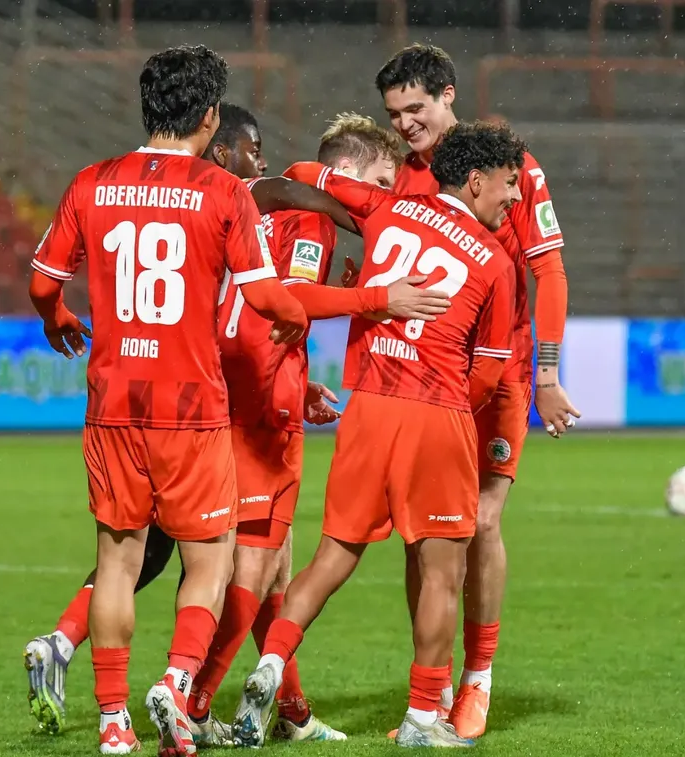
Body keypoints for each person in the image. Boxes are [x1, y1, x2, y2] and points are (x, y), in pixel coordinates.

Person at [26, 47, 310, 756]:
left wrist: (57, 317)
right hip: (191, 408)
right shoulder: (223, 192)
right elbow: (265, 295)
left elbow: (42, 281)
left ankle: (114, 721)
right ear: (210, 117)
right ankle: (178, 685)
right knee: (207, 561)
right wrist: (298, 318)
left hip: (114, 403)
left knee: (118, 560)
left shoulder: (93, 181)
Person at [231, 120, 524, 749]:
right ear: (475, 181)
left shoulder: (386, 207)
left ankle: (269, 665)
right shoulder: (497, 262)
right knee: (442, 572)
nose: (514, 198)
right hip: (435, 412)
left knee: (332, 555)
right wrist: (452, 412)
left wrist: (336, 205)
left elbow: (306, 176)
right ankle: (423, 718)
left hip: (366, 408)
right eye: (507, 184)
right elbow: (491, 371)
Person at [187, 112, 450, 745]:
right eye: (382, 180)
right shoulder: (310, 221)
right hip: (259, 408)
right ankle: (192, 702)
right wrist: (375, 297)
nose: (386, 196)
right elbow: (290, 300)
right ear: (351, 170)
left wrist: (301, 378)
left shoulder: (266, 213)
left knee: (277, 570)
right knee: (254, 567)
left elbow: (271, 305)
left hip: (247, 389)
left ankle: (293, 711)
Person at [374, 43, 579, 739]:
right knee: (422, 538)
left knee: (484, 520)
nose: (405, 123)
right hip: (426, 382)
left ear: (449, 95)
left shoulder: (509, 170)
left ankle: (478, 676)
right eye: (395, 113)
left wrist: (547, 374)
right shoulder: (399, 177)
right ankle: (425, 682)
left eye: (417, 107)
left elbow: (548, 273)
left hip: (503, 371)